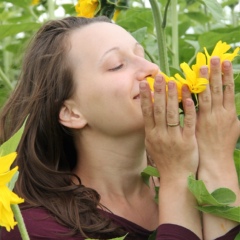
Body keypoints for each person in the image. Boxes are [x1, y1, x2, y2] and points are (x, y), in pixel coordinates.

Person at [0, 16, 239, 240]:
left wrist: (216, 155)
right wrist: (176, 178)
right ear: (72, 112)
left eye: (142, 54)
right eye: (117, 65)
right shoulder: (33, 227)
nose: (151, 69)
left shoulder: (199, 174)